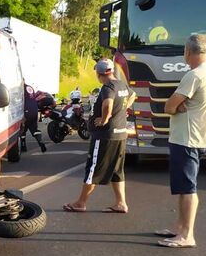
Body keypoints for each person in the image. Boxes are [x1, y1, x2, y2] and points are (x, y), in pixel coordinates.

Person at [158, 34, 206, 248]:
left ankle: (186, 235)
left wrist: (176, 106)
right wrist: (180, 106)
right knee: (185, 186)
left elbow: (168, 107)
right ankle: (180, 227)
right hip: (197, 136)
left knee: (187, 188)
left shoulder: (194, 75)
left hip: (187, 138)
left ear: (187, 51)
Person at [63, 59, 136, 214]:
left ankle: (81, 203)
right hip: (120, 134)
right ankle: (121, 203)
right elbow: (133, 95)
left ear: (99, 74)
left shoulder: (108, 87)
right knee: (116, 170)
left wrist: (105, 118)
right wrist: (122, 109)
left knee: (93, 169)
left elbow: (107, 104)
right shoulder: (121, 85)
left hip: (105, 135)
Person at [22, 84, 47, 153]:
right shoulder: (29, 87)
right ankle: (41, 142)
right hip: (34, 110)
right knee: (34, 129)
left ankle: (23, 146)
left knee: (22, 130)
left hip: (26, 110)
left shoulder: (20, 88)